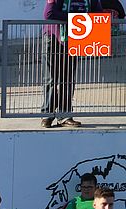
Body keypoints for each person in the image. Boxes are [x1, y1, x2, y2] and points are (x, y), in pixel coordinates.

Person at [41, 0, 103, 128]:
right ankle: (47, 114)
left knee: (67, 79)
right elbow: (49, 13)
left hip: (75, 38)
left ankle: (65, 116)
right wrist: (77, 18)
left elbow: (98, 14)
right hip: (53, 37)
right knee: (51, 78)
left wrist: (78, 19)